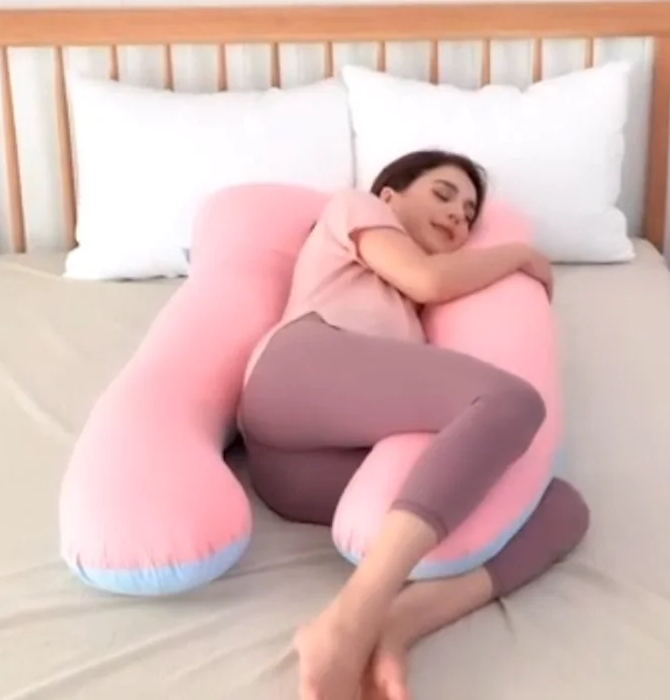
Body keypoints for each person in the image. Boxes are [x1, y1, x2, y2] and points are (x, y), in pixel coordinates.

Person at [238, 149, 590, 700]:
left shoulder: (413, 312)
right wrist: (521, 254)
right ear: (389, 196)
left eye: (468, 214)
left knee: (561, 507)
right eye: (443, 194)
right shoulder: (354, 209)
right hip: (301, 366)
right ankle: (349, 619)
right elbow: (428, 280)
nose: (457, 216)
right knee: (511, 401)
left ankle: (397, 626)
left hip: (302, 476)